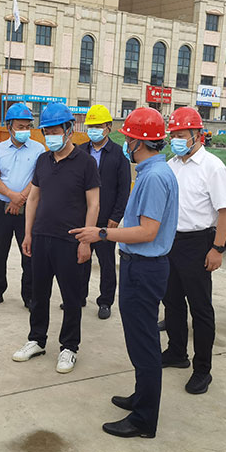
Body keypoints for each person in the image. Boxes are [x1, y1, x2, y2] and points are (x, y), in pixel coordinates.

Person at [70, 107, 178, 439]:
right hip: (140, 266)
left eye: (129, 138)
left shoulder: (155, 177)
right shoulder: (152, 171)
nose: (126, 143)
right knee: (138, 339)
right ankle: (141, 397)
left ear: (138, 143)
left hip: (144, 268)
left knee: (144, 343)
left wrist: (101, 233)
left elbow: (147, 231)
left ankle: (144, 419)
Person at [13, 102, 100, 374]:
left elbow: (94, 204)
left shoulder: (86, 162)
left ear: (69, 129)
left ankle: (69, 347)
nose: (50, 136)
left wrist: (86, 241)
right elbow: (33, 199)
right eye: (46, 131)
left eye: (55, 130)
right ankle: (36, 340)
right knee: (39, 294)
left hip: (71, 241)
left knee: (71, 297)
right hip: (41, 237)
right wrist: (28, 233)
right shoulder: (43, 160)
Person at [162, 107, 226, 395]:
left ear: (197, 135)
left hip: (198, 243)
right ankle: (177, 351)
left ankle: (202, 369)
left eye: (181, 135)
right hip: (170, 241)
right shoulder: (171, 165)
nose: (176, 140)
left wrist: (217, 248)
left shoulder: (213, 167)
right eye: (173, 135)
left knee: (200, 308)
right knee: (172, 302)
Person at [0, 102, 44, 309]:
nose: (25, 130)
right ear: (9, 126)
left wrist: (20, 199)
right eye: (20, 127)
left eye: (28, 126)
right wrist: (11, 197)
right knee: (0, 253)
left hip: (28, 210)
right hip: (2, 208)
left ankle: (29, 296)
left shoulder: (38, 149)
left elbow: (37, 178)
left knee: (28, 253)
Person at [80, 104, 131, 319]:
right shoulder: (80, 151)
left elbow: (124, 188)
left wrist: (116, 217)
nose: (93, 130)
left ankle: (105, 301)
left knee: (106, 263)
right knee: (80, 258)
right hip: (82, 217)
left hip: (106, 220)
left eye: (98, 126)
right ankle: (78, 296)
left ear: (108, 127)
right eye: (91, 126)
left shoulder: (119, 154)